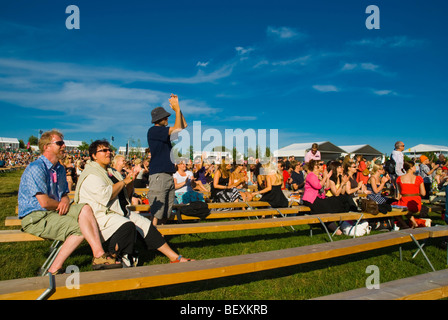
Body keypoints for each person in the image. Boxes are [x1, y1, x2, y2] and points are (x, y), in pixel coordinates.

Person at [75, 140, 193, 265]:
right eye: (103, 150)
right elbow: (106, 196)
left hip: (119, 211)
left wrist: (130, 181)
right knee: (127, 226)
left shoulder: (112, 172)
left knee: (147, 225)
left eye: (109, 150)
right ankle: (112, 257)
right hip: (100, 215)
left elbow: (127, 194)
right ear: (94, 155)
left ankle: (174, 257)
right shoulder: (92, 174)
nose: (108, 152)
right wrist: (125, 181)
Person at [18, 130, 120, 274]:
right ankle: (54, 268)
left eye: (63, 143)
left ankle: (98, 255)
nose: (64, 146)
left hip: (53, 210)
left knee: (85, 207)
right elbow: (44, 202)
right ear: (46, 146)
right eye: (59, 143)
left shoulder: (59, 168)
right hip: (35, 216)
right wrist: (61, 204)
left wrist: (65, 200)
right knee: (79, 228)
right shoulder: (37, 168)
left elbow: (64, 194)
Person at [147, 94, 187, 225]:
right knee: (157, 213)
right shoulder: (154, 130)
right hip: (159, 175)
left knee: (166, 211)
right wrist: (176, 109)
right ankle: (152, 241)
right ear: (160, 119)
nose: (168, 118)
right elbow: (178, 128)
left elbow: (183, 126)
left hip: (167, 175)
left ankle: (161, 238)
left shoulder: (163, 133)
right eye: (166, 117)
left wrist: (178, 109)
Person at [394, 161, 426, 228]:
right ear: (411, 168)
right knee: (406, 209)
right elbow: (423, 193)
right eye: (414, 166)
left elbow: (399, 193)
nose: (415, 168)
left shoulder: (399, 179)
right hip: (416, 203)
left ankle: (405, 225)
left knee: (394, 208)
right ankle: (413, 223)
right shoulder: (419, 178)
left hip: (404, 202)